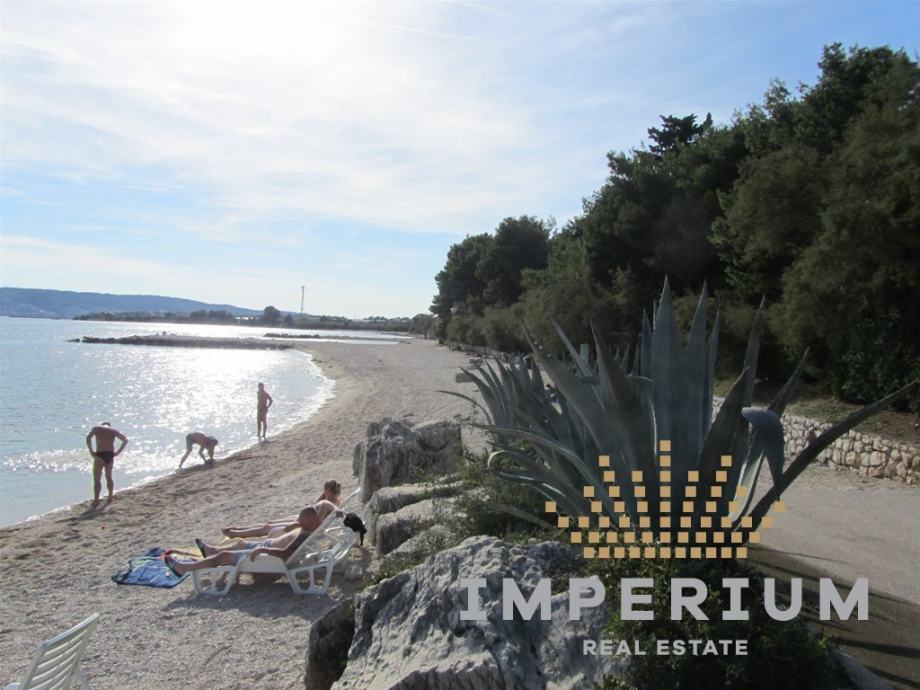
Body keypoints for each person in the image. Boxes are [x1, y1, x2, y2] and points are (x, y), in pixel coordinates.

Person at [165, 505, 343, 577]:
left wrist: (262, 550)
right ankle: (210, 550)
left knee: (224, 556)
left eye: (301, 520)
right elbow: (327, 516)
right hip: (266, 547)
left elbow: (285, 554)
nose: (299, 521)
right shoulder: (314, 528)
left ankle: (184, 568)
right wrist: (336, 513)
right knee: (240, 544)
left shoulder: (304, 535)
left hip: (267, 555)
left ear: (309, 520)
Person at [85, 422, 128, 506]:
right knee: (109, 477)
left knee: (97, 479)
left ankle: (96, 500)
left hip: (100, 454)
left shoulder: (96, 428)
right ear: (109, 425)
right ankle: (110, 497)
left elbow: (88, 438)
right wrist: (118, 452)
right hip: (110, 455)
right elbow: (125, 440)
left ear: (102, 424)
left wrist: (91, 450)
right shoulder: (113, 430)